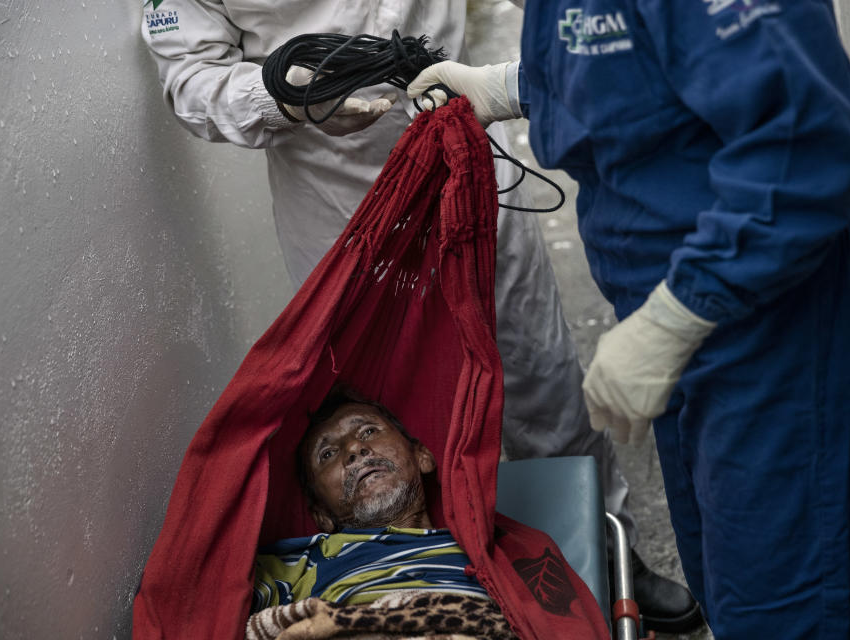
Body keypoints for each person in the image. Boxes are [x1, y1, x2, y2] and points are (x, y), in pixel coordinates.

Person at [140, 1, 701, 632]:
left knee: (540, 378)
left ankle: (602, 544)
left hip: (466, 146)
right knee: (388, 408)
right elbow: (188, 77)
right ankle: (420, 571)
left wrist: (513, 83)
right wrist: (285, 98)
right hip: (340, 211)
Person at [407, 1, 850, 638]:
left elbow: (799, 143)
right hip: (688, 324)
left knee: (788, 605)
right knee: (726, 583)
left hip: (775, 327)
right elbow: (629, 61)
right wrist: (513, 86)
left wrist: (676, 316)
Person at [248, 390, 517, 639]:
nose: (354, 449)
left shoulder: (487, 550)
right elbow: (221, 595)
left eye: (368, 431)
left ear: (422, 456)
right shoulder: (306, 562)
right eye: (328, 453)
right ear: (322, 516)